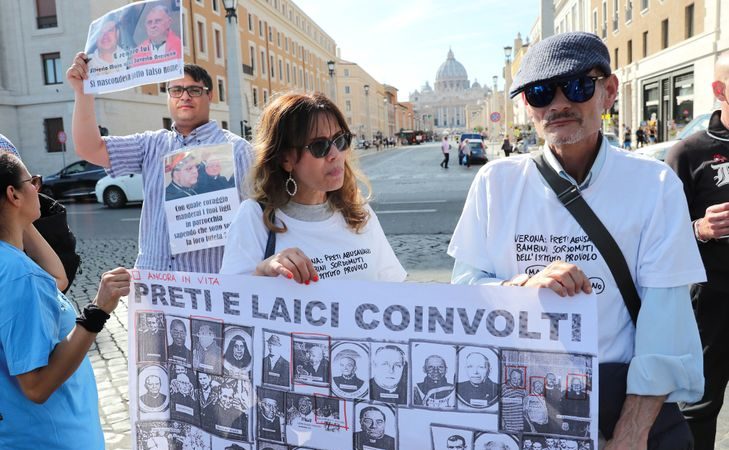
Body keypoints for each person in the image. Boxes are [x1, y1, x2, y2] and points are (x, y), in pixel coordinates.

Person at [448, 31, 704, 448]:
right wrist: (520, 287)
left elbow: (667, 320)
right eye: (540, 92)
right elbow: (463, 294)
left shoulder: (655, 184)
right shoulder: (496, 182)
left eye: (578, 86)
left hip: (622, 392)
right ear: (527, 107)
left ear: (609, 92)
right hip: (523, 391)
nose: (559, 103)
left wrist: (632, 430)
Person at [66, 58, 253, 273]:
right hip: (154, 285)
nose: (184, 96)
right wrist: (83, 93)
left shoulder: (238, 150)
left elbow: (257, 221)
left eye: (194, 90)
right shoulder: (151, 144)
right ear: (168, 97)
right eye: (176, 90)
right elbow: (89, 148)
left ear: (209, 95)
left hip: (208, 288)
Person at [0, 153, 129, 448]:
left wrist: (19, 218)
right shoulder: (19, 276)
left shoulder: (12, 262)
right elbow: (36, 386)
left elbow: (56, 279)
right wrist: (98, 311)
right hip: (47, 437)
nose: (39, 189)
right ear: (12, 194)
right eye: (33, 182)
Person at [220, 92, 406, 283]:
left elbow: (394, 288)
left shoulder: (358, 212)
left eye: (340, 140)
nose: (335, 154)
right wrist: (264, 272)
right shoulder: (254, 216)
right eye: (320, 146)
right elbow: (229, 302)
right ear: (285, 159)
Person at [666, 49, 729, 450]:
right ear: (720, 89)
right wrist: (700, 228)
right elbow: (661, 238)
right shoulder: (689, 152)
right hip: (712, 303)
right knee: (699, 407)